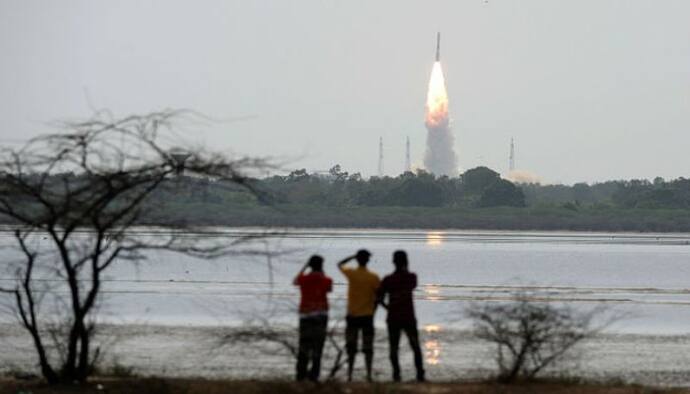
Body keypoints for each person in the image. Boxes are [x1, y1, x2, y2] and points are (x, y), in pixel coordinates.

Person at [377, 250, 425, 382]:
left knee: (393, 348)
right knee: (415, 346)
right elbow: (411, 284)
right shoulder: (411, 277)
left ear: (393, 262)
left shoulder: (388, 279)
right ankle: (420, 374)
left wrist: (389, 308)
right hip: (408, 317)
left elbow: (378, 298)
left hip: (393, 318)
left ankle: (396, 375)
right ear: (406, 262)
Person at [338, 249, 380, 382]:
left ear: (357, 259)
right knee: (368, 347)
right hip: (367, 316)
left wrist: (352, 256)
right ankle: (368, 374)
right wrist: (374, 311)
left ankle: (350, 374)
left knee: (351, 346)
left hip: (352, 315)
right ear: (368, 260)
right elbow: (379, 296)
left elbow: (339, 264)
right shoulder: (373, 277)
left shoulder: (352, 274)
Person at [293, 255, 333, 381]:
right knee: (318, 346)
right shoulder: (326, 280)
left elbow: (295, 281)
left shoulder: (303, 279)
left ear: (310, 265)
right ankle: (314, 374)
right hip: (321, 315)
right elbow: (329, 289)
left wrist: (305, 267)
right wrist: (321, 272)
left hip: (305, 315)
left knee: (303, 345)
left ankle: (300, 373)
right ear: (321, 266)